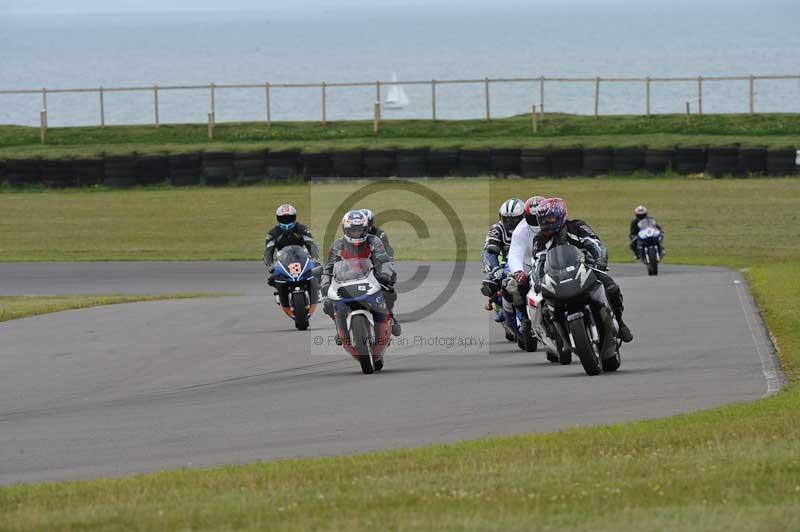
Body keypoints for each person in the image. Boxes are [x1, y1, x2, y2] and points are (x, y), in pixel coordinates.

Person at [532, 198, 634, 345]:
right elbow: (538, 261)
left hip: (586, 269)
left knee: (612, 288)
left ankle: (620, 321)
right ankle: (556, 337)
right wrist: (538, 279)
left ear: (561, 215)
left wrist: (600, 259)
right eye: (542, 220)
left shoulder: (577, 226)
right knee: (544, 303)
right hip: (557, 277)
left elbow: (595, 243)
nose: (546, 223)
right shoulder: (539, 239)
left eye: (550, 218)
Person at [320, 210, 401, 338]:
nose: (356, 233)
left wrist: (384, 275)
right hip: (345, 280)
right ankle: (339, 328)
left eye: (360, 229)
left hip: (370, 277)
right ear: (345, 229)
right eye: (353, 230)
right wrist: (325, 284)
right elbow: (328, 268)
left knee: (389, 292)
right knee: (328, 304)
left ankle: (389, 316)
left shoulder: (374, 240)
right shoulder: (337, 245)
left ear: (366, 228)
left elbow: (384, 260)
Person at [504, 195, 546, 331]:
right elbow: (514, 254)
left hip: (553, 261)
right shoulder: (520, 230)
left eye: (540, 216)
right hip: (528, 263)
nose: (537, 221)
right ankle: (524, 317)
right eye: (533, 218)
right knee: (512, 285)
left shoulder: (555, 223)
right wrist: (518, 272)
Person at [480, 198, 525, 321]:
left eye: (515, 219)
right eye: (507, 219)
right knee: (493, 282)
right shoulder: (496, 229)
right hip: (507, 263)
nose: (511, 223)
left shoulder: (530, 228)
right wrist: (495, 269)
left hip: (529, 262)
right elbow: (488, 251)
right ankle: (498, 303)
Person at [264, 204, 320, 286]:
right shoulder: (273, 232)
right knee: (272, 279)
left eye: (289, 218)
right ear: (278, 219)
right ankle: (281, 294)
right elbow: (268, 250)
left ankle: (318, 291)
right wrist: (270, 265)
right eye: (283, 219)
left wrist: (315, 259)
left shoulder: (302, 228)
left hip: (302, 258)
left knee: (318, 271)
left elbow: (312, 244)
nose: (286, 221)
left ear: (294, 217)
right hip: (283, 261)